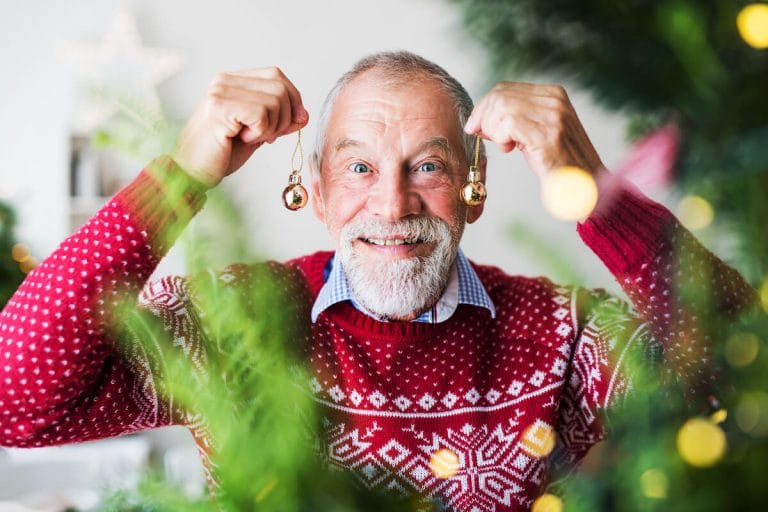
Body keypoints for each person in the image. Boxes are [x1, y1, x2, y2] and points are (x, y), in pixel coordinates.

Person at [0, 51, 756, 511]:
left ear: (473, 190)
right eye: (359, 167)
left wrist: (595, 189)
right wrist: (182, 176)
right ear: (319, 194)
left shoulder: (566, 335)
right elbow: (16, 398)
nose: (392, 205)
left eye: (427, 166)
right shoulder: (236, 320)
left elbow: (747, 388)